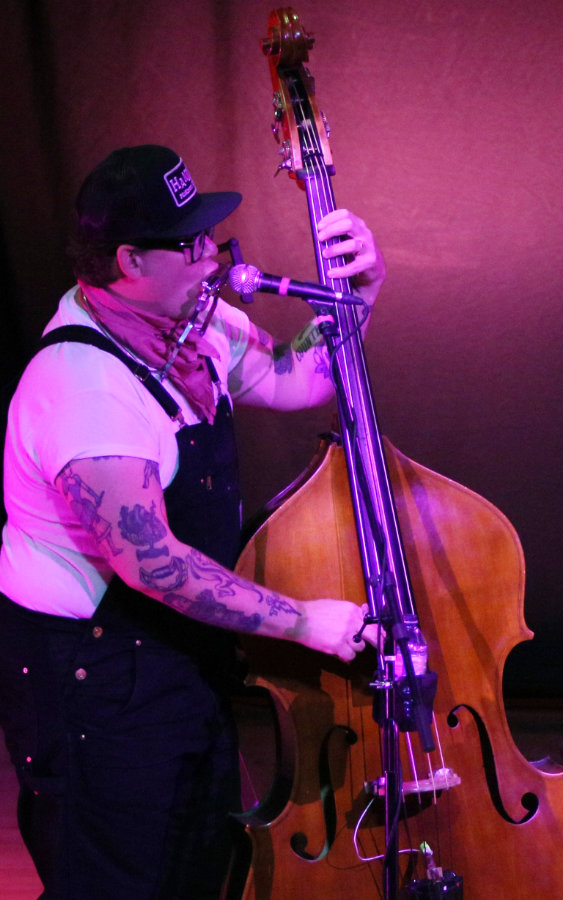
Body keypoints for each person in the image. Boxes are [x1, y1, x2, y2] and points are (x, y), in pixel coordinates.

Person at [0, 144, 385, 898]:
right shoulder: (84, 384)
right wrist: (306, 622)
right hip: (94, 669)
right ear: (131, 260)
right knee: (118, 876)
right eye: (190, 244)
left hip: (170, 649)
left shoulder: (187, 324)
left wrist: (362, 293)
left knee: (194, 860)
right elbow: (155, 565)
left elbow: (293, 375)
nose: (211, 258)